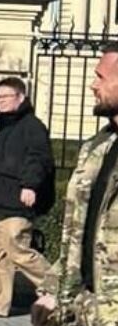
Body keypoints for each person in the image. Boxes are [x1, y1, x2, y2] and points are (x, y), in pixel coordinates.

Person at [32, 45, 118, 326]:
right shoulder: (98, 147)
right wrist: (54, 291)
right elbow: (77, 233)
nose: (93, 85)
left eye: (101, 77)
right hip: (90, 309)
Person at [0, 77, 55, 318]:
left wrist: (30, 185)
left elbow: (39, 158)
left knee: (19, 251)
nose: (0, 101)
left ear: (21, 98)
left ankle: (62, 288)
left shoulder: (31, 126)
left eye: (6, 97)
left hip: (15, 202)